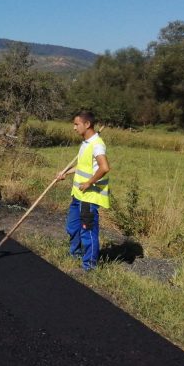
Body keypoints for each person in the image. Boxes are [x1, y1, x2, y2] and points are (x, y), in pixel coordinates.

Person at [56, 111, 110, 271]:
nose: (74, 128)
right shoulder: (85, 143)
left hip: (89, 197)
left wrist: (89, 183)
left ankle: (89, 266)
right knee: (72, 227)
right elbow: (82, 165)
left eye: (76, 124)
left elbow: (104, 167)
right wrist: (65, 172)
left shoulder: (97, 144)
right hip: (77, 195)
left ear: (87, 124)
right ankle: (75, 254)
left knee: (88, 232)